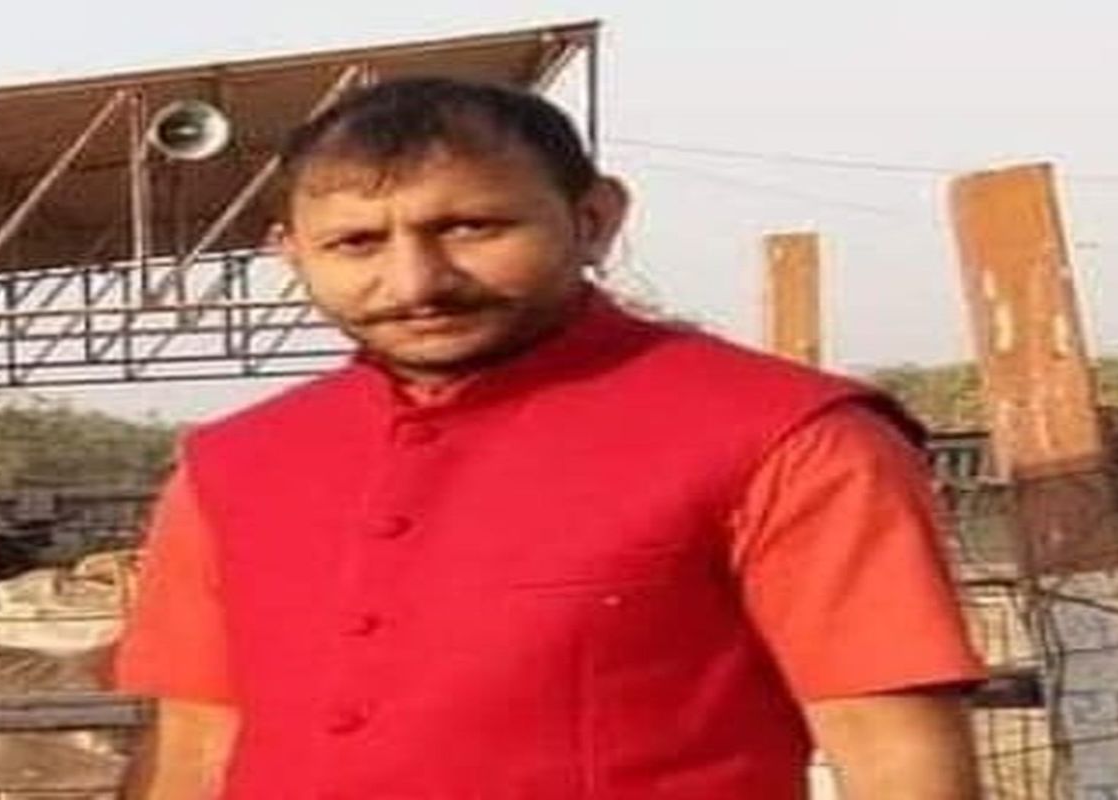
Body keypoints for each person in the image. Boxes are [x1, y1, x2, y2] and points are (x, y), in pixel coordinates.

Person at [115, 77, 985, 799]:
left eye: (470, 227)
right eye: (357, 242)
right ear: (294, 255)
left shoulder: (789, 439)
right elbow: (195, 747)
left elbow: (894, 754)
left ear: (595, 217)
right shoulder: (234, 465)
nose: (415, 281)